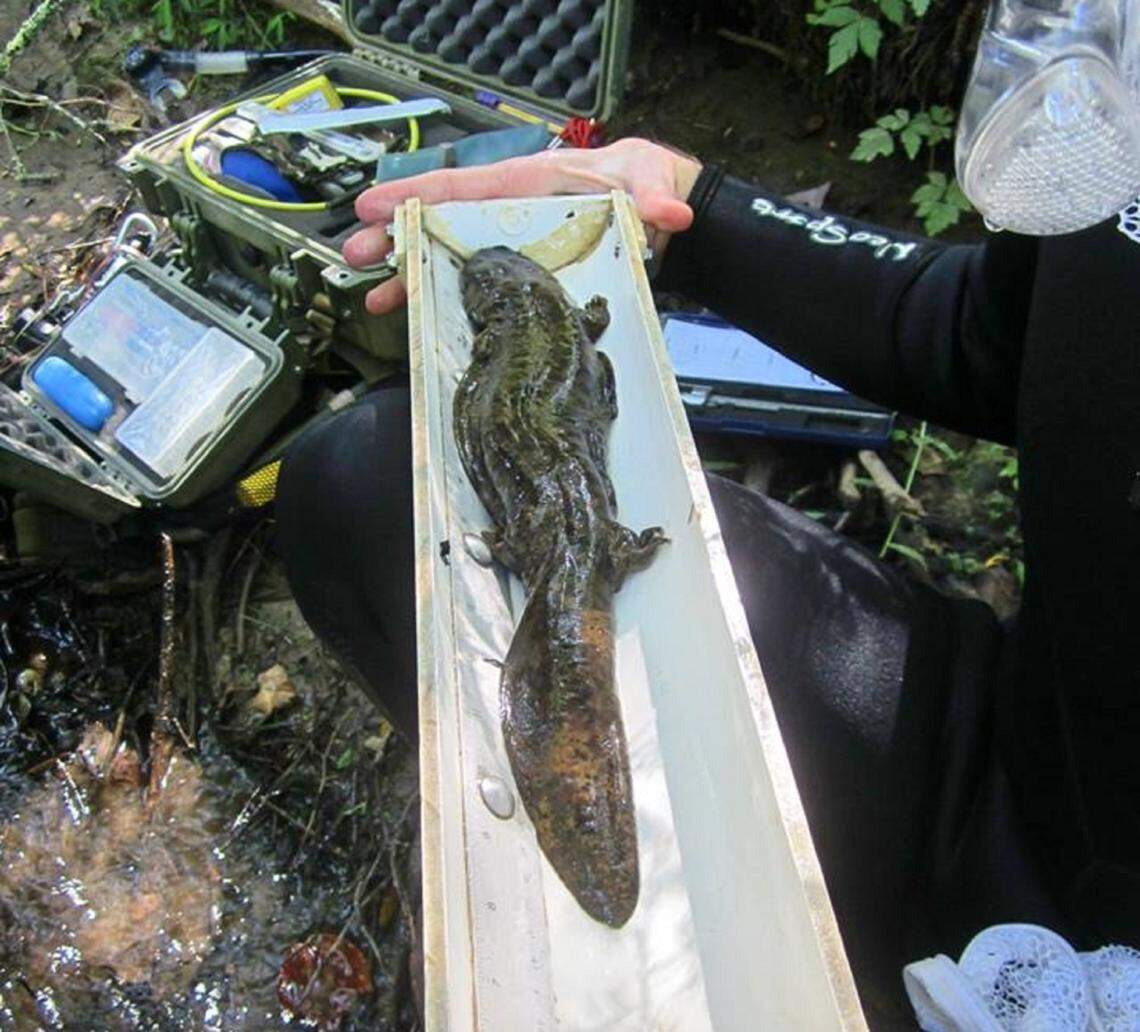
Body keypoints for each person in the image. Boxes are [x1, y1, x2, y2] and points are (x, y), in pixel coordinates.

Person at [274, 2, 1140, 1023]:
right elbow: (993, 334)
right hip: (999, 749)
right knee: (358, 477)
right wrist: (695, 205)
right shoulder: (1107, 87)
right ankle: (512, 855)